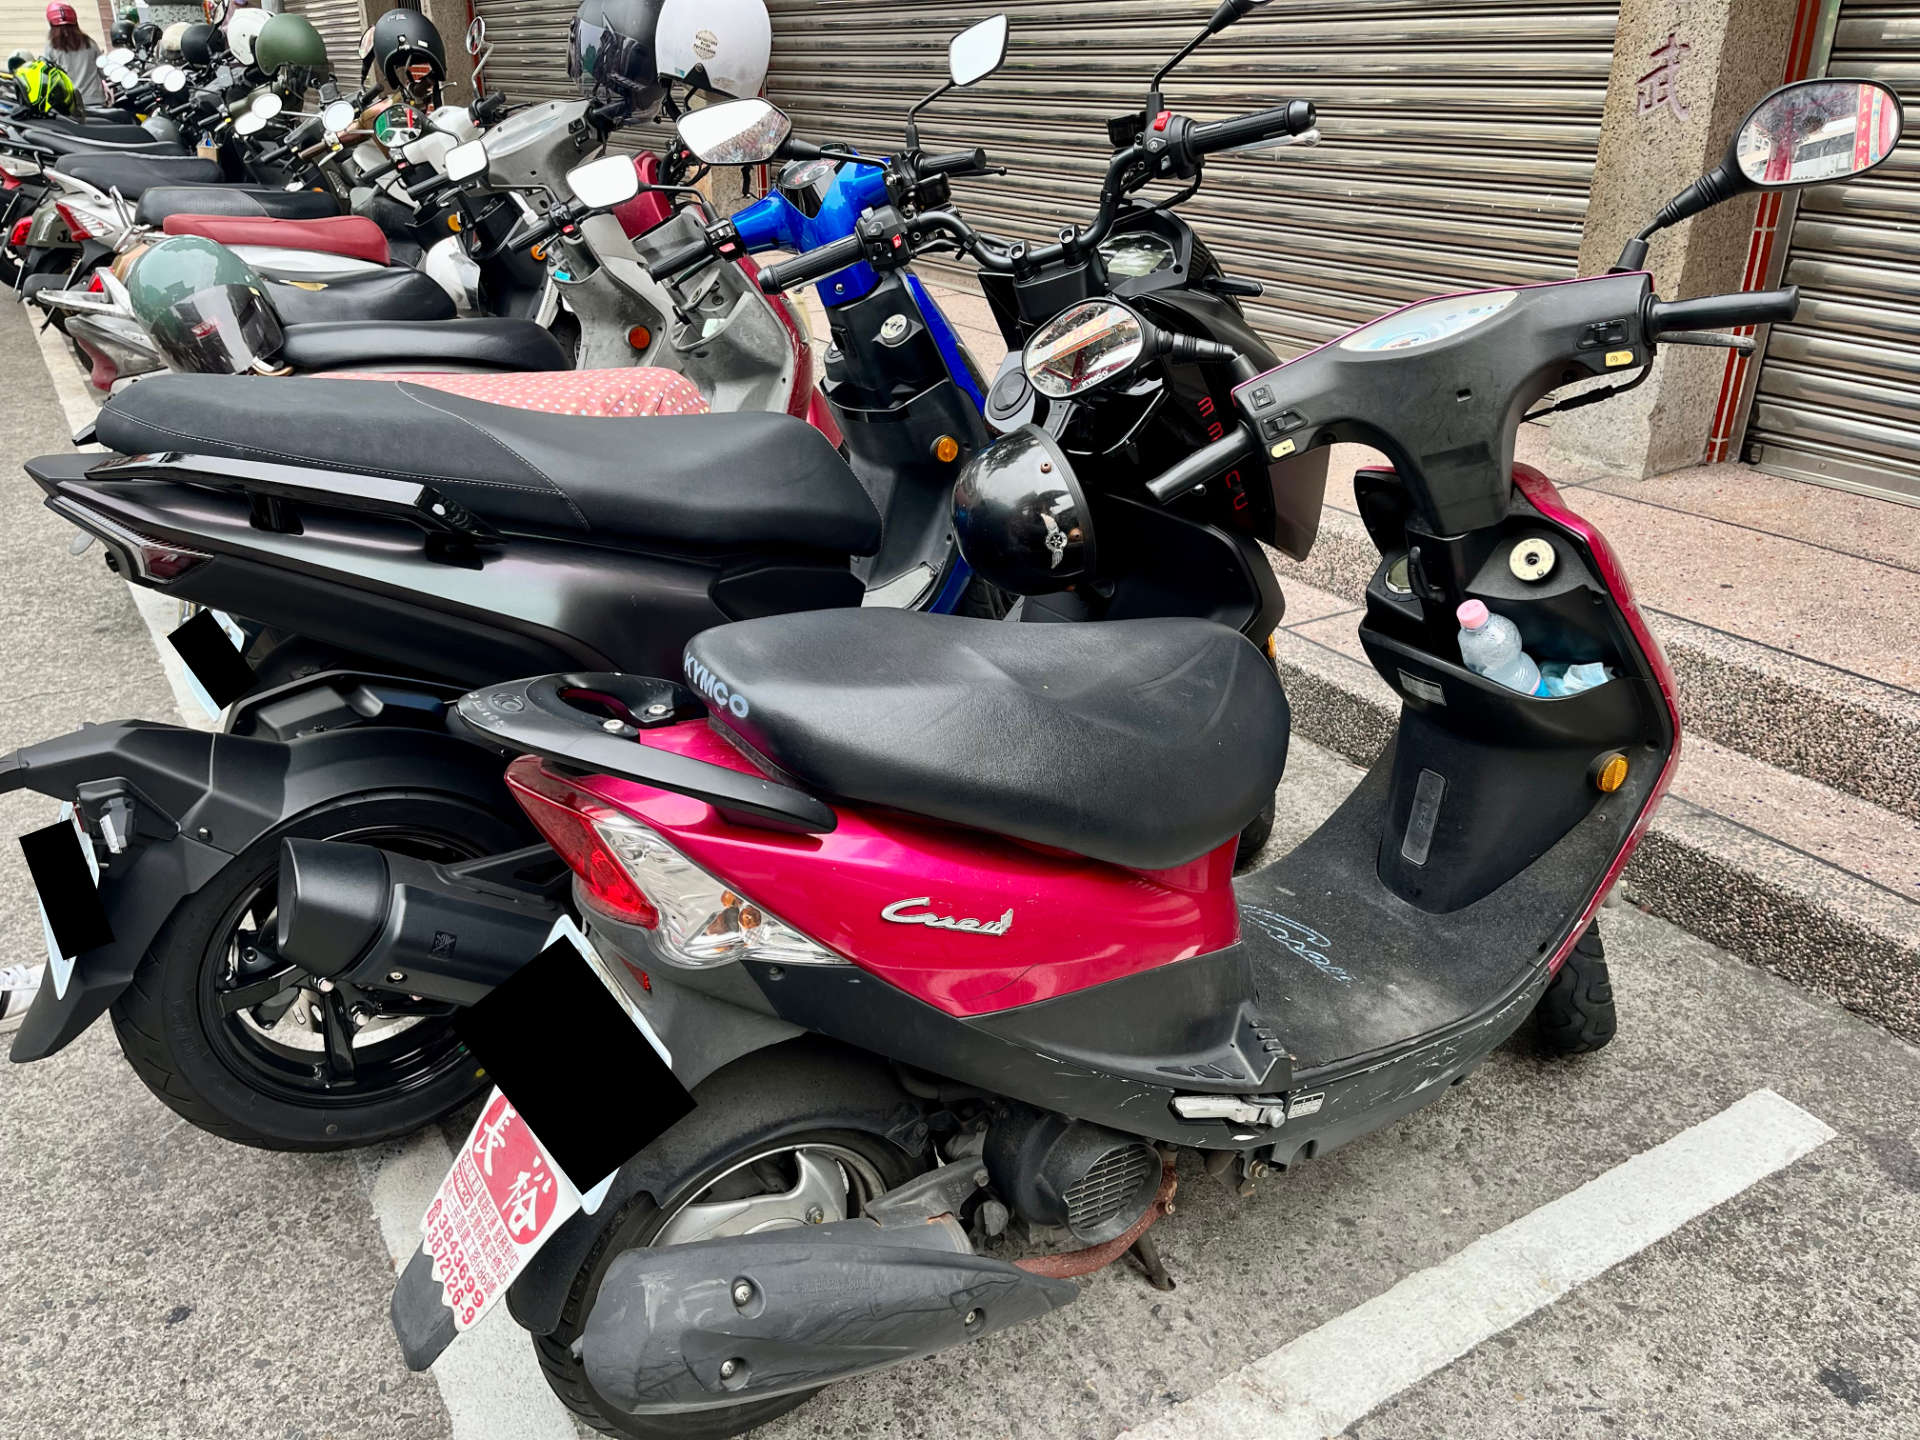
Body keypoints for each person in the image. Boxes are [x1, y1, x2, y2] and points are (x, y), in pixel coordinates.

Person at [42, 2, 107, 112]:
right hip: (95, 102)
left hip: (69, 105)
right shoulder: (90, 43)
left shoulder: (51, 48)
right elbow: (103, 72)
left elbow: (48, 79)